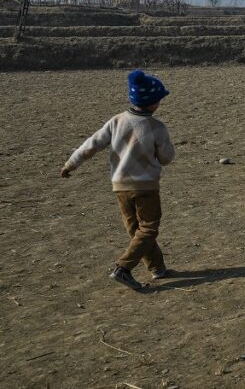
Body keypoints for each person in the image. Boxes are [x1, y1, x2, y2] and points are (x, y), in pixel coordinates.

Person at [60, 69, 176, 290]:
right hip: (146, 187)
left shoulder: (116, 121)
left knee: (136, 230)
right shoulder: (157, 128)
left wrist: (70, 164)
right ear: (152, 102)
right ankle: (123, 268)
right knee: (148, 229)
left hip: (120, 187)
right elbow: (167, 158)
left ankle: (157, 267)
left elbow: (90, 145)